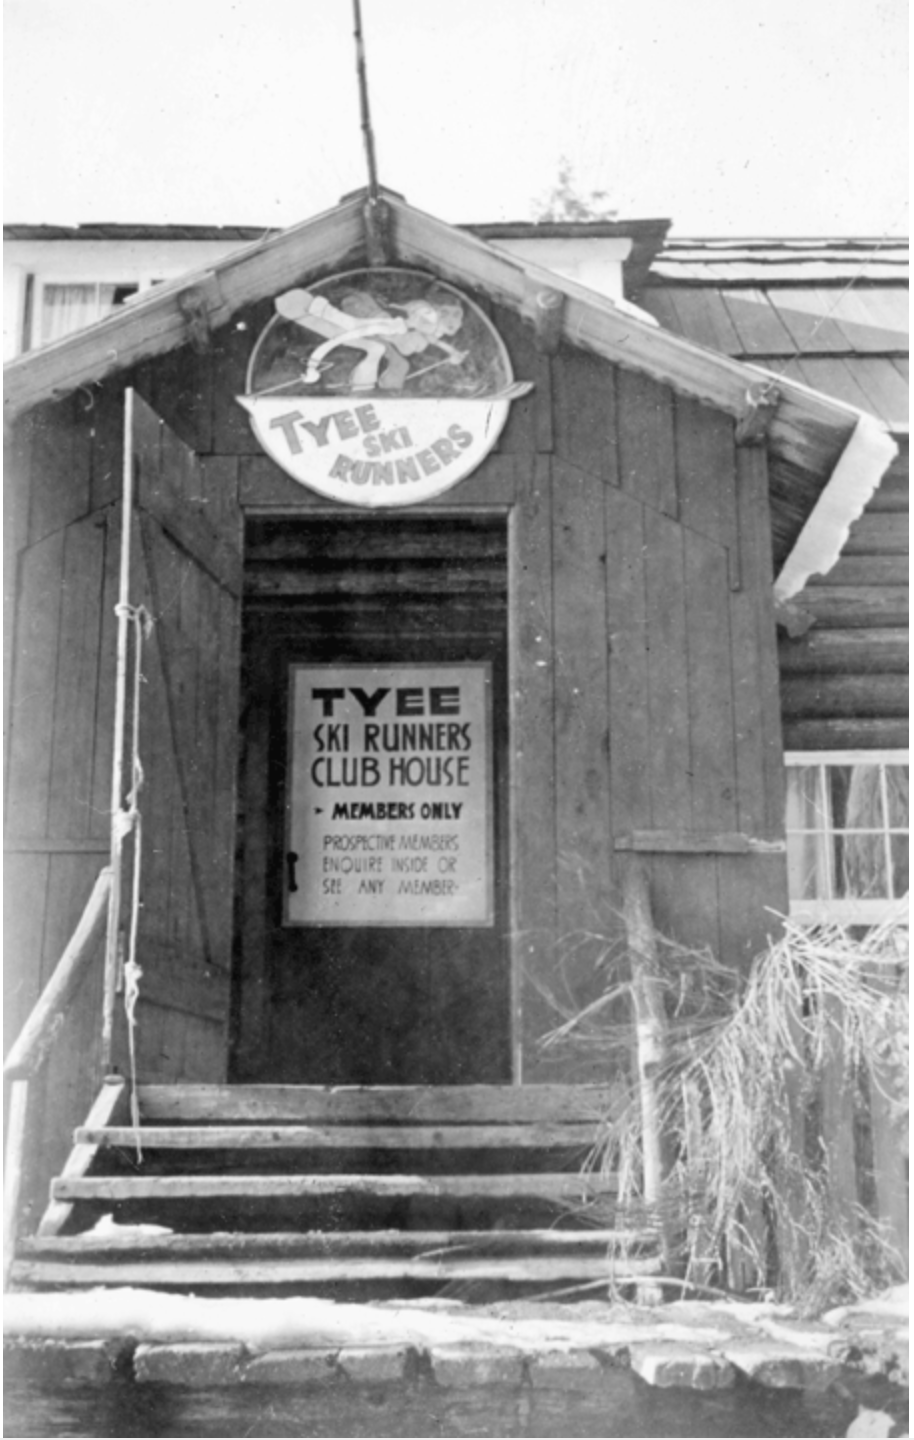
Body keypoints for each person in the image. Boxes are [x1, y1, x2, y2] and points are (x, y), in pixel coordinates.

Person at [274, 286, 467, 391]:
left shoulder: (407, 329)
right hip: (353, 326)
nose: (447, 321)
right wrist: (312, 368)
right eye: (436, 314)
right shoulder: (389, 326)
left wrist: (453, 353)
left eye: (456, 315)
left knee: (386, 354)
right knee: (380, 351)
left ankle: (373, 389)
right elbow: (346, 334)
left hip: (365, 330)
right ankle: (368, 389)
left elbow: (433, 339)